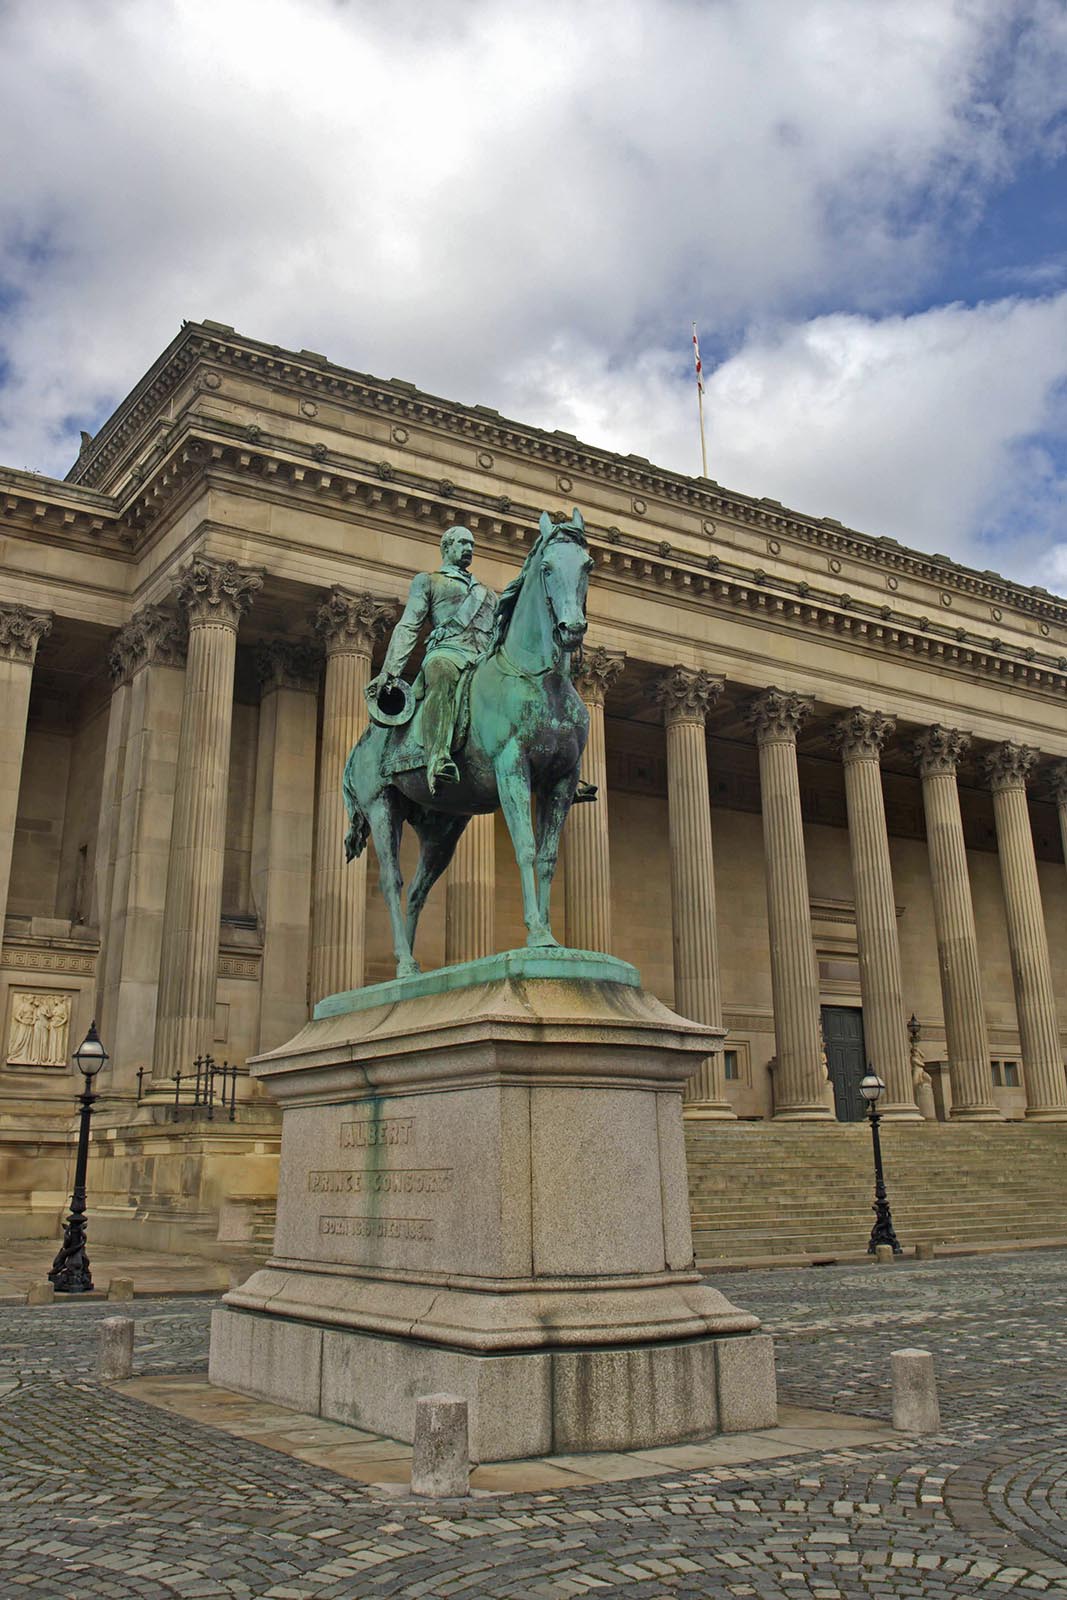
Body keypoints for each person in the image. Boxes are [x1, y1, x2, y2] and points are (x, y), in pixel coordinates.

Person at [368, 525, 496, 794]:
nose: (469, 549)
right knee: (441, 671)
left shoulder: (487, 593)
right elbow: (408, 626)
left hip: (483, 660)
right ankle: (438, 757)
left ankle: (549, 768)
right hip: (449, 652)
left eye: (472, 544)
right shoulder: (430, 581)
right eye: (462, 543)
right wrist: (390, 671)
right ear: (446, 547)